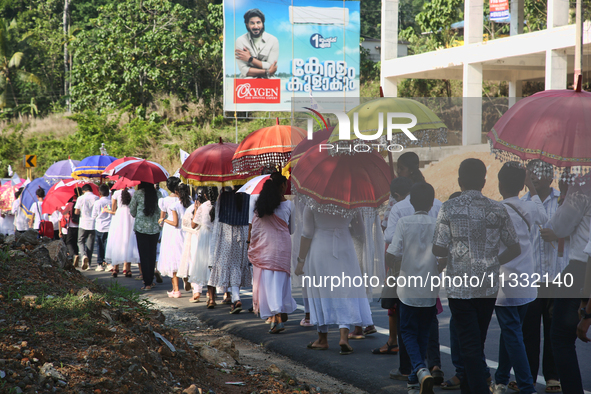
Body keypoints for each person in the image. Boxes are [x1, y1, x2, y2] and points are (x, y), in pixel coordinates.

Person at [432, 158, 521, 394]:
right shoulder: (498, 208)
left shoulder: (448, 208)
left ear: (459, 181)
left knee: (469, 345)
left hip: (460, 287)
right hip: (488, 285)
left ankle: (479, 389)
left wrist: (453, 249)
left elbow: (438, 248)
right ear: (484, 181)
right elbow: (515, 247)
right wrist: (493, 261)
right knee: (476, 342)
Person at [493, 163, 547, 394]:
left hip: (504, 283)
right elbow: (544, 217)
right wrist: (532, 187)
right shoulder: (530, 207)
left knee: (513, 333)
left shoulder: (495, 209)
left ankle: (526, 386)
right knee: (512, 331)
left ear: (500, 184)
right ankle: (501, 379)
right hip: (526, 282)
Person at [295, 205, 373, 355]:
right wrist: (343, 229)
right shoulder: (350, 203)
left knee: (320, 290)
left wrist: (300, 261)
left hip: (320, 248)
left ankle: (322, 339)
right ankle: (344, 337)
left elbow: (307, 233)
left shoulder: (312, 203)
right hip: (345, 247)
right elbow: (360, 231)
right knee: (345, 290)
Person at [387, 182, 441, 394]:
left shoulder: (404, 222)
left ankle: (419, 369)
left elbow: (392, 253)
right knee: (423, 332)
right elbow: (443, 257)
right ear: (431, 203)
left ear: (410, 201)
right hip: (429, 288)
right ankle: (412, 380)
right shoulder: (437, 224)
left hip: (407, 287)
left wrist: (396, 267)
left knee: (407, 331)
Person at [541, 174, 591, 394]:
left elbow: (559, 227)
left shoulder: (581, 186)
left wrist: (566, 195)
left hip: (581, 266)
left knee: (560, 337)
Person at [518, 160, 563, 393]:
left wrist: (557, 234)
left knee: (553, 329)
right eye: (530, 172)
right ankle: (528, 376)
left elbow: (564, 228)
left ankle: (553, 376)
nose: (534, 176)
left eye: (539, 172)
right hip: (531, 276)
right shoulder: (522, 203)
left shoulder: (562, 199)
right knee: (529, 330)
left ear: (551, 176)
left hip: (556, 275)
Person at [248, 173, 297, 333]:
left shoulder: (260, 205)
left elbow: (254, 229)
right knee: (281, 284)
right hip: (282, 248)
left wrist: (252, 245)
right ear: (282, 186)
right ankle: (278, 316)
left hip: (264, 248)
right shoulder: (289, 205)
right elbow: (292, 229)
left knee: (268, 285)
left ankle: (276, 318)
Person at [373, 177, 412, 360]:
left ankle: (394, 342)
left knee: (396, 302)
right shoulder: (432, 203)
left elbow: (388, 234)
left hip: (397, 259)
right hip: (424, 263)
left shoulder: (396, 206)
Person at [207, 187, 251, 310]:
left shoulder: (224, 195)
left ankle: (235, 298)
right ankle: (235, 297)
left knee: (227, 265)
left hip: (226, 232)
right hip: (243, 232)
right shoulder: (247, 195)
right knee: (237, 265)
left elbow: (217, 216)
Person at [158, 179, 191, 298]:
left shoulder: (165, 201)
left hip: (172, 232)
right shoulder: (189, 200)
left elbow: (163, 219)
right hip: (186, 231)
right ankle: (186, 277)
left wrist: (162, 221)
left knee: (172, 258)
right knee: (185, 255)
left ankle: (176, 289)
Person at [130, 182, 162, 290]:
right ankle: (151, 280)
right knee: (152, 254)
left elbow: (132, 211)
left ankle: (147, 283)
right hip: (155, 228)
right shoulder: (158, 194)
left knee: (143, 255)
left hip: (141, 228)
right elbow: (162, 211)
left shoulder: (137, 194)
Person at [187, 188, 215, 303]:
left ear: (204, 195)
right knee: (213, 265)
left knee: (205, 265)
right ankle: (214, 295)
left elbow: (193, 225)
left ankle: (210, 298)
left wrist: (196, 209)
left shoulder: (203, 207)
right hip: (215, 236)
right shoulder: (218, 206)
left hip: (204, 238)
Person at [235, 9, 279, 78]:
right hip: (247, 81)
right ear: (247, 25)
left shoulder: (273, 40)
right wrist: (267, 72)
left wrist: (250, 59)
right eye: (252, 23)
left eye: (258, 22)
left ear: (262, 24)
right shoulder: (240, 41)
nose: (256, 26)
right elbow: (243, 70)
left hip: (268, 80)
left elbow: (271, 66)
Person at [105, 187, 138, 278]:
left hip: (119, 217)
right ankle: (128, 269)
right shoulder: (133, 192)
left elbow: (113, 209)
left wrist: (107, 210)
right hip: (130, 217)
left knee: (117, 240)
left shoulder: (116, 193)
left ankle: (115, 268)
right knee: (129, 241)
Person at [75, 184, 98, 270]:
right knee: (90, 243)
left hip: (83, 223)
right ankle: (89, 264)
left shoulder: (80, 198)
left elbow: (76, 212)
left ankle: (83, 255)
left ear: (83, 191)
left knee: (80, 241)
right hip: (93, 223)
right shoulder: (96, 198)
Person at [91, 184, 112, 272]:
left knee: (99, 245)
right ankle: (109, 263)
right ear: (108, 192)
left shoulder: (97, 202)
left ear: (99, 193)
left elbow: (93, 215)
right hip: (109, 226)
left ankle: (100, 264)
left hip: (99, 226)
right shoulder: (111, 202)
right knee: (108, 245)